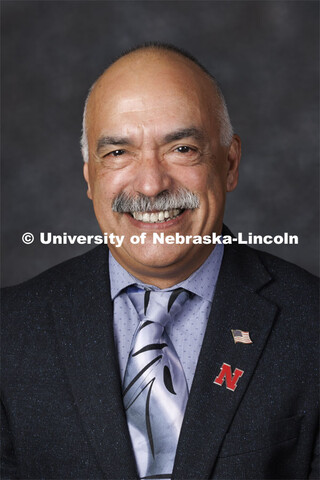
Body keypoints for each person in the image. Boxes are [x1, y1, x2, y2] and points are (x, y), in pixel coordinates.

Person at [1, 43, 318, 480]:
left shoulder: (312, 324)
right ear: (90, 177)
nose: (151, 184)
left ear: (230, 163)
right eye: (117, 153)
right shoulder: (10, 332)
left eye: (182, 148)